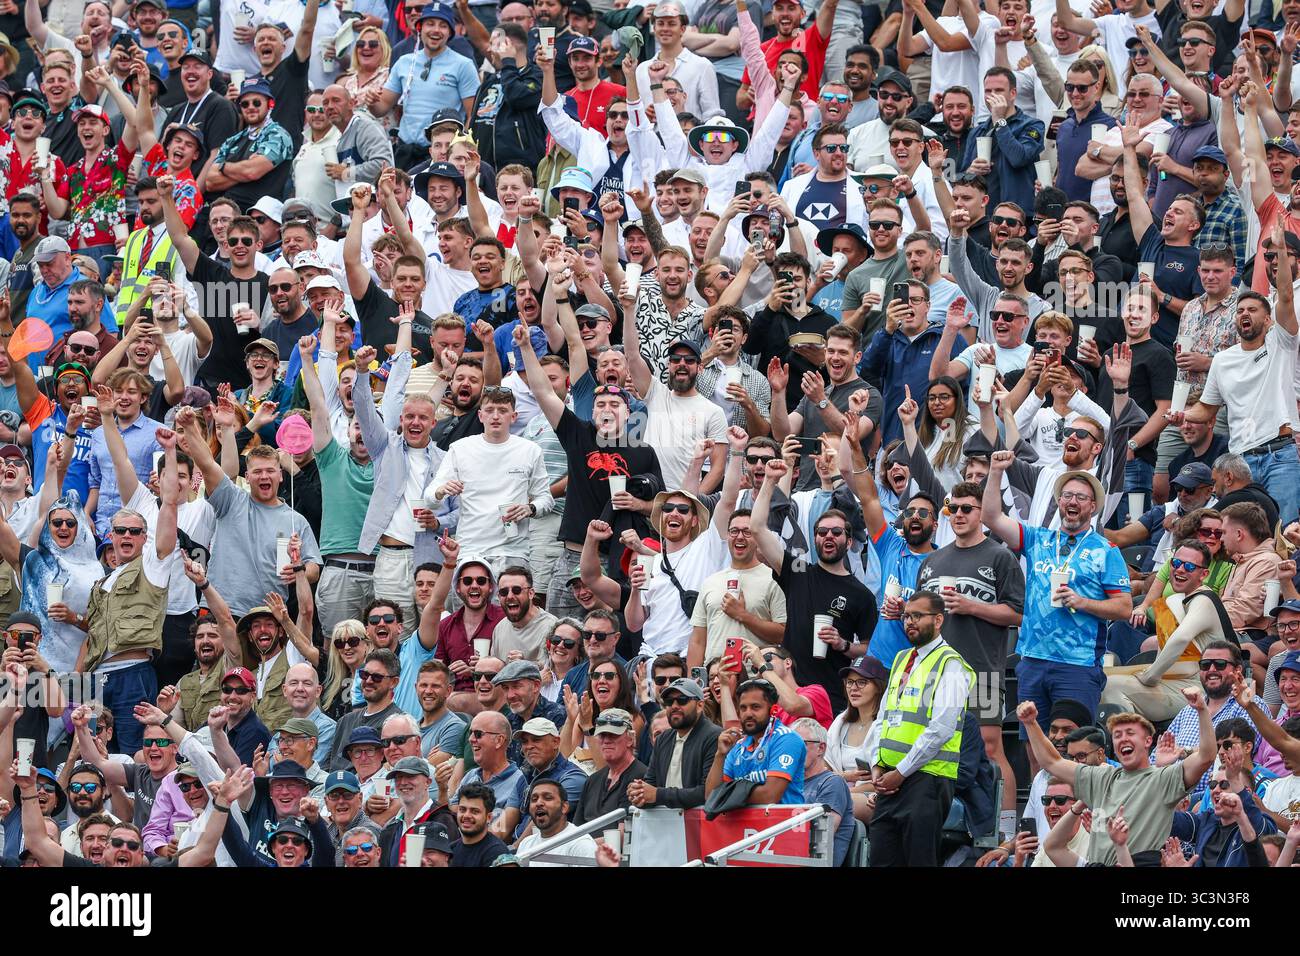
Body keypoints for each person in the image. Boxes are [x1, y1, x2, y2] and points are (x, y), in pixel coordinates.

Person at [982, 454, 1132, 750]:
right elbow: (991, 517)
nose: (1072, 501)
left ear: (1092, 507)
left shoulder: (1106, 550)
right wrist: (996, 471)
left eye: (1080, 497)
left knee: (1076, 749)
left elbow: (1125, 608)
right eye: (1066, 495)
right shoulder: (1038, 539)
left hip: (1077, 664)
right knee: (1034, 747)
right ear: (1059, 502)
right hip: (1034, 659)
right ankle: (1042, 798)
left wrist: (1082, 602)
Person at [1018, 687, 1216, 865]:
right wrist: (1031, 724)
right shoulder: (1101, 777)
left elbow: (1206, 756)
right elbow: (1052, 762)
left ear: (1148, 741)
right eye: (1117, 735)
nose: (1123, 739)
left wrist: (1201, 710)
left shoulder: (1163, 778)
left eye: (1130, 733)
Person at [863, 590, 974, 867]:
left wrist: (900, 773)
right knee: (881, 859)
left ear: (938, 620)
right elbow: (884, 717)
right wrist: (877, 764)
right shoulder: (902, 659)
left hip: (928, 780)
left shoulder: (951, 664)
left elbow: (942, 728)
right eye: (906, 616)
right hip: (890, 780)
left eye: (917, 616)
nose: (909, 622)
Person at [706, 677, 806, 805]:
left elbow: (769, 796)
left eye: (755, 707)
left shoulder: (786, 739)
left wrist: (726, 796)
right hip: (744, 825)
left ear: (773, 710)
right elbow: (710, 796)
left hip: (784, 823)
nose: (748, 713)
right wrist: (720, 755)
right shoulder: (737, 746)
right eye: (743, 708)